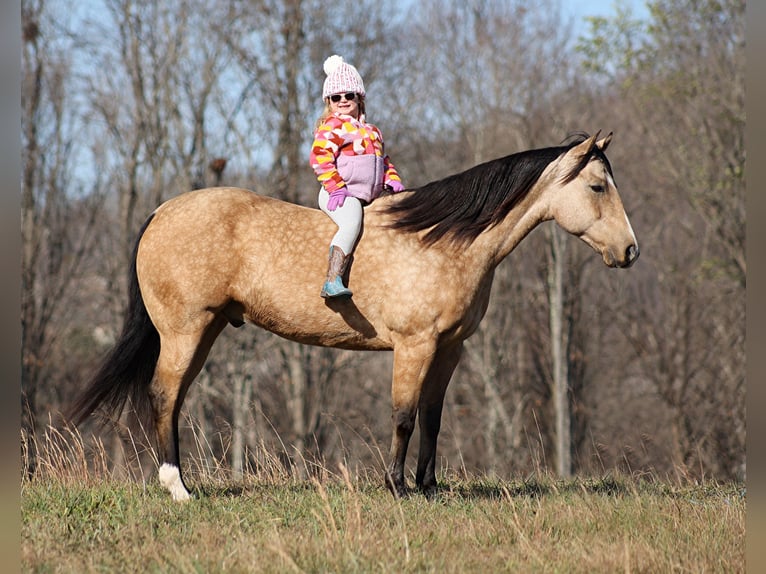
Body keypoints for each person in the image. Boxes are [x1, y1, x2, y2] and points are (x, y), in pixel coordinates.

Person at [310, 55, 405, 299]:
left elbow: (383, 161)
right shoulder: (331, 127)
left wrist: (391, 179)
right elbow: (320, 159)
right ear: (329, 102)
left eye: (348, 95)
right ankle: (332, 279)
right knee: (352, 220)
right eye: (336, 97)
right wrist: (336, 187)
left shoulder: (373, 132)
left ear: (359, 98)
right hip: (340, 193)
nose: (343, 101)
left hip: (369, 196)